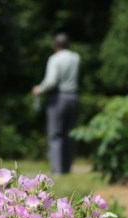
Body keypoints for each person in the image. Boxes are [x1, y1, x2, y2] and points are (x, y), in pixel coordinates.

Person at [32, 33, 80, 175]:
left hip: (58, 98)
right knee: (69, 134)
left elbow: (51, 81)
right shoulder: (76, 57)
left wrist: (39, 89)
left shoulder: (54, 59)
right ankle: (67, 168)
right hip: (73, 97)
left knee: (55, 135)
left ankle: (57, 171)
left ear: (55, 45)